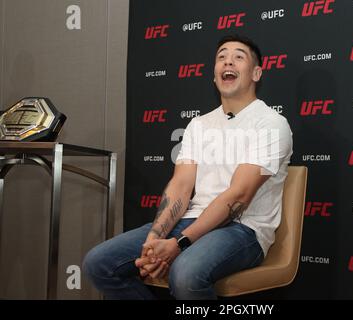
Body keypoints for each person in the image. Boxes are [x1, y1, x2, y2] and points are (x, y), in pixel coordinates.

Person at [82, 34, 293, 300]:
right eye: (221, 57)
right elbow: (181, 186)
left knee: (185, 273)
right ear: (215, 74)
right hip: (191, 221)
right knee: (99, 263)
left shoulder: (271, 124)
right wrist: (154, 239)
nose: (228, 61)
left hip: (243, 230)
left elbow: (239, 195)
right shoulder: (199, 124)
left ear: (256, 73)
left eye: (239, 56)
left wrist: (179, 244)